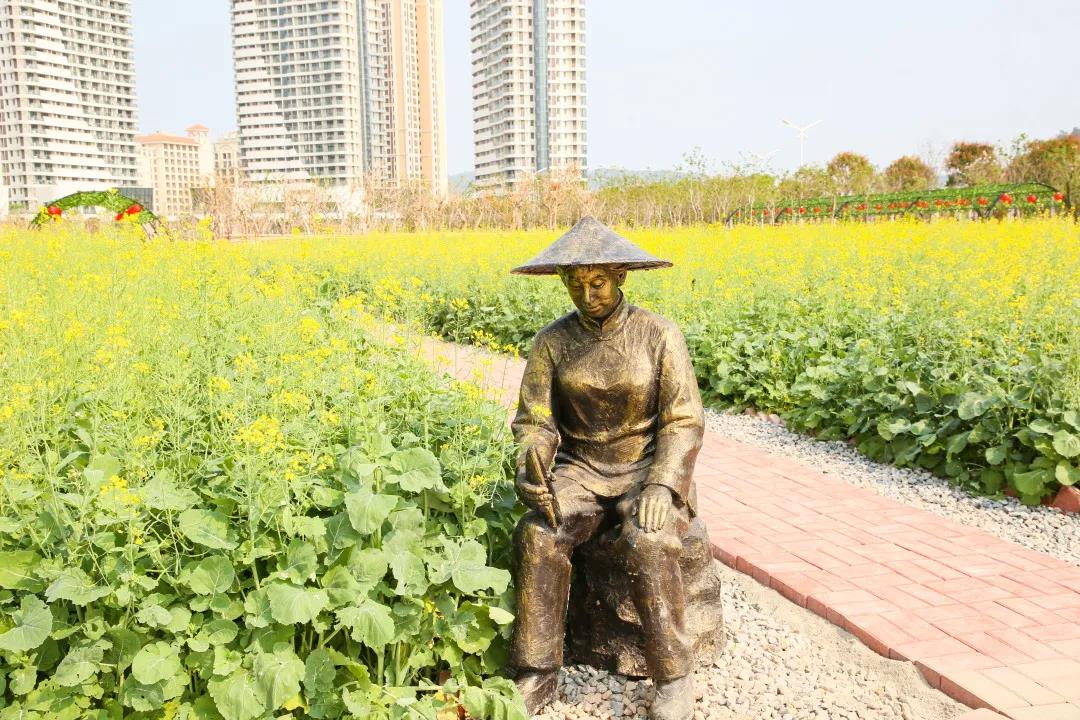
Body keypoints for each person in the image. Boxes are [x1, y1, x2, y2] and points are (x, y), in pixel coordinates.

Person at [508, 217, 705, 720]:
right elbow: (535, 421)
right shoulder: (552, 342)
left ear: (620, 276)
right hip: (580, 469)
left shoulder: (658, 334)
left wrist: (663, 485)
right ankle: (537, 670)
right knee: (538, 533)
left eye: (597, 282)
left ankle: (673, 676)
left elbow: (684, 420)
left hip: (645, 468)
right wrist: (532, 460)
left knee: (649, 540)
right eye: (575, 284)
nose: (587, 295)